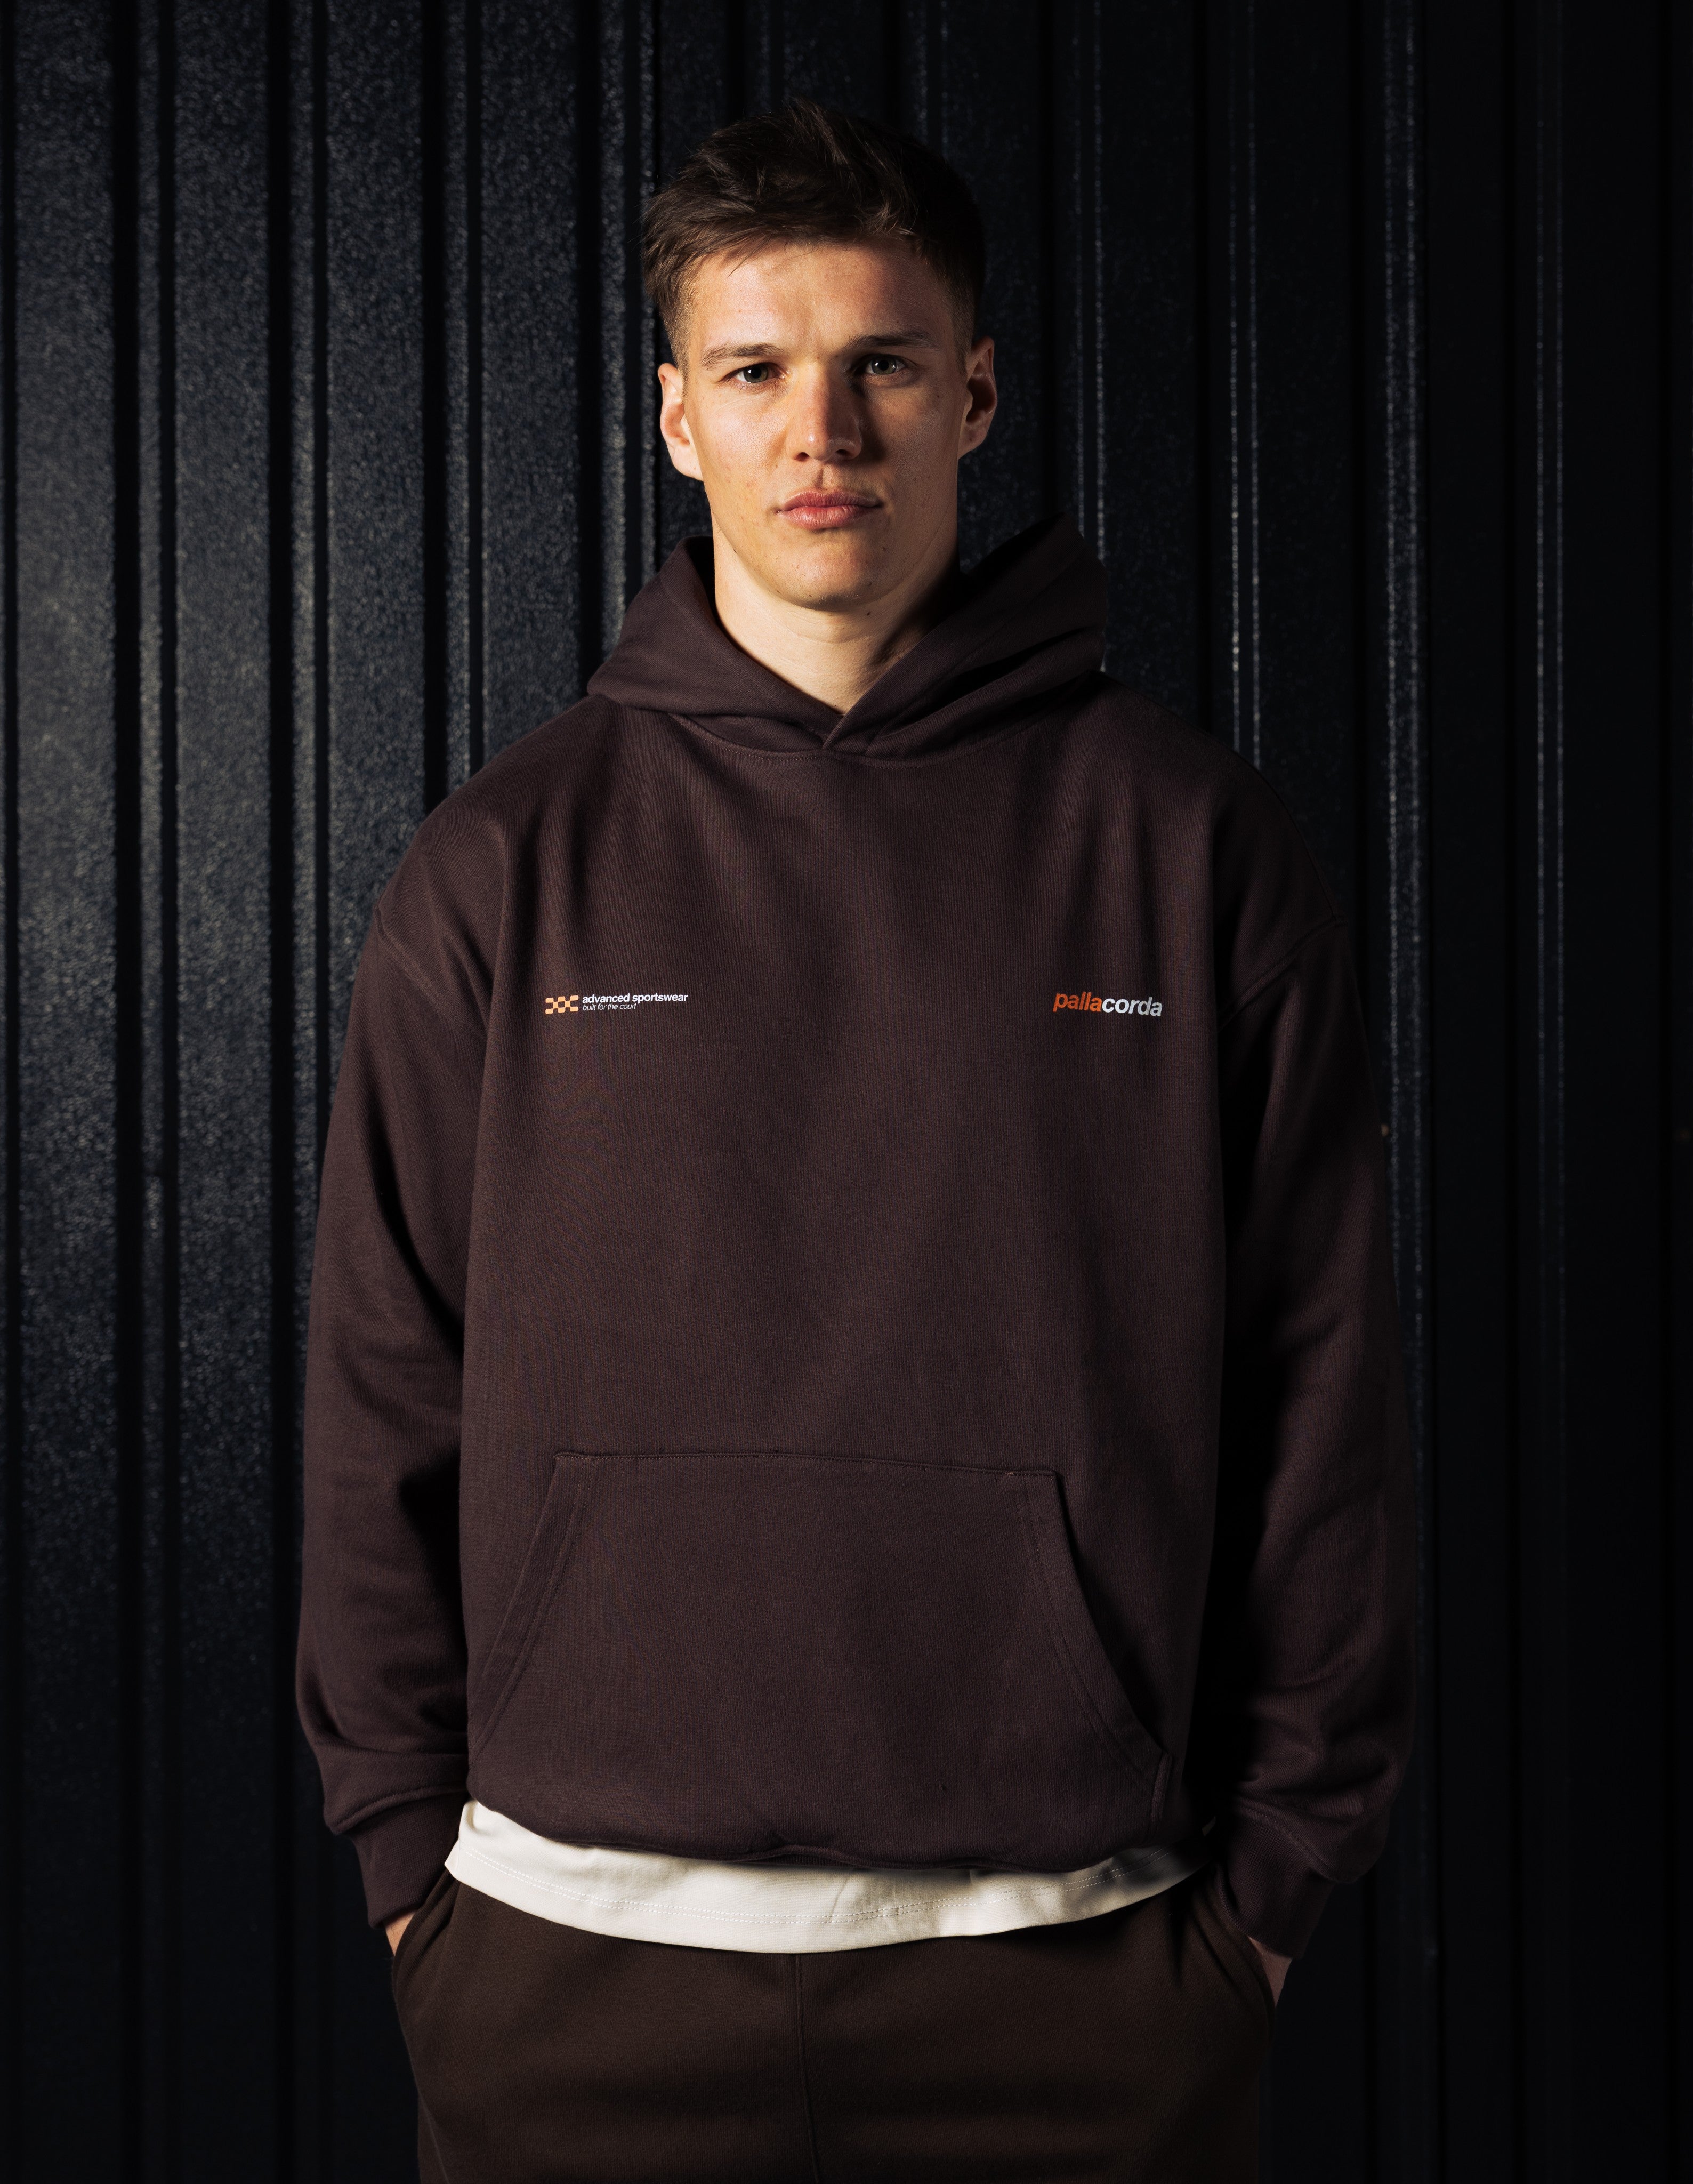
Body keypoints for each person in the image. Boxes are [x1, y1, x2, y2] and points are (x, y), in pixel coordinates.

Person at [297, 98, 1415, 2183]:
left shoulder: (1193, 851)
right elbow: (382, 1396)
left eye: (881, 363)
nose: (822, 430)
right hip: (563, 1971)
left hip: (1082, 1978)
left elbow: (1324, 1398)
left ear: (971, 394)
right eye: (755, 370)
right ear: (676, 418)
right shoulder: (503, 867)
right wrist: (403, 1875)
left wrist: (1265, 1903)